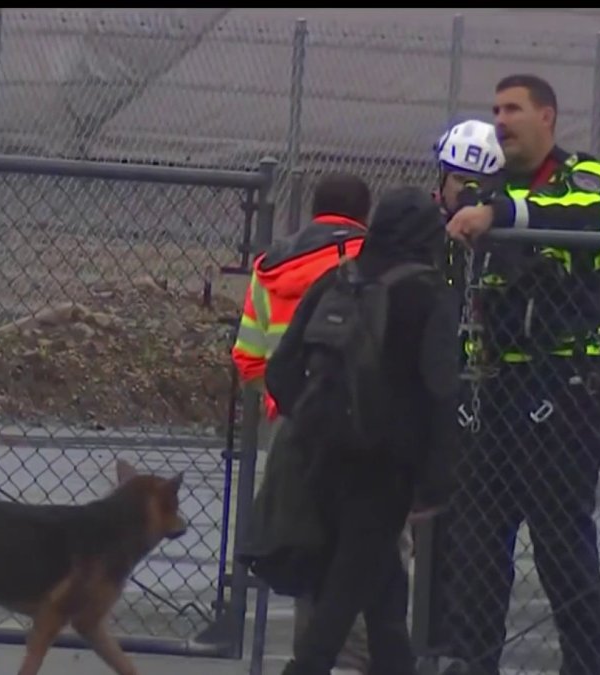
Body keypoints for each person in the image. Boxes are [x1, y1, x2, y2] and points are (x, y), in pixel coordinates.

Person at [436, 74, 600, 675]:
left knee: (561, 540)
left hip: (561, 390)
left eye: (513, 108)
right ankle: (474, 661)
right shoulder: (483, 188)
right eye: (495, 109)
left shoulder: (587, 178)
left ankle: (583, 662)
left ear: (548, 115)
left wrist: (497, 212)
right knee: (479, 543)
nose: (501, 119)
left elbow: (587, 217)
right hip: (489, 391)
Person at [265, 186, 461, 675]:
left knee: (384, 595)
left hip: (321, 457)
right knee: (346, 591)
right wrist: (437, 481)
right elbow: (441, 392)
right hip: (386, 468)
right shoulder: (429, 293)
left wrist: (313, 420)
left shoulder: (339, 278)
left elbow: (282, 369)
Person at [229, 171, 376, 674]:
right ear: (364, 214)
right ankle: (364, 659)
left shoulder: (271, 266)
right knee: (372, 545)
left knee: (304, 538)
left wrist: (283, 407)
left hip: (291, 427)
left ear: (314, 211)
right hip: (362, 427)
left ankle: (313, 658)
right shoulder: (376, 262)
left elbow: (249, 358)